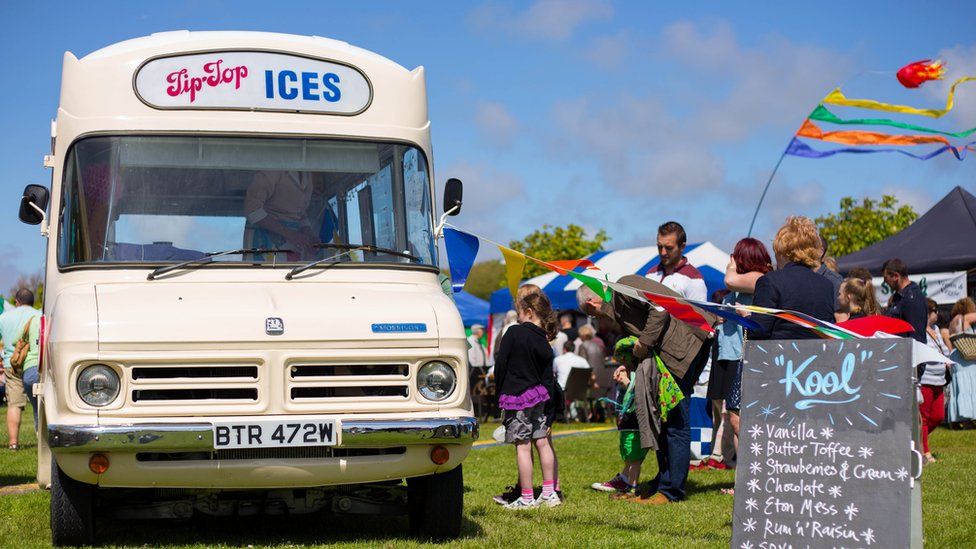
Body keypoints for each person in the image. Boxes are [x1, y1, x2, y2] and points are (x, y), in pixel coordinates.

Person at [578, 274, 713, 504]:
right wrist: (628, 362)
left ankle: (671, 492)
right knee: (663, 419)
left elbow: (659, 309)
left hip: (687, 346)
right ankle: (664, 482)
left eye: (591, 314)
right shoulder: (618, 305)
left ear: (591, 304)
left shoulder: (625, 287)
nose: (597, 319)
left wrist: (644, 343)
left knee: (675, 421)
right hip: (673, 354)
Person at [492, 286, 561, 509]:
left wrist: (499, 393)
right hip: (540, 397)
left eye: (520, 311)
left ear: (529, 311)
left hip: (517, 396)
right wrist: (550, 412)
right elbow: (548, 379)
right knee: (542, 442)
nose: (518, 315)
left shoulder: (513, 332)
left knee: (523, 446)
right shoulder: (545, 342)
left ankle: (528, 496)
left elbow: (500, 366)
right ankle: (550, 493)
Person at [719, 238, 774, 474]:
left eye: (736, 257)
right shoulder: (745, 284)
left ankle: (753, 473)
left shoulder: (759, 279)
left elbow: (729, 281)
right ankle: (742, 477)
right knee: (733, 416)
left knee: (741, 418)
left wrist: (730, 264)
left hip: (749, 356)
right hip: (733, 354)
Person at [750, 217, 835, 341]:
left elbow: (758, 331)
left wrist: (746, 321)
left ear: (783, 251)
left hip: (779, 357)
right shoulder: (826, 285)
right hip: (817, 357)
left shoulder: (770, 281)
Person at [0, 289, 42, 450]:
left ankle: (13, 443)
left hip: (13, 364)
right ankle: (42, 438)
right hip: (33, 363)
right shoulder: (38, 315)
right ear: (32, 301)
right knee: (40, 403)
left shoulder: (3, 317)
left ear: (17, 301)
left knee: (14, 404)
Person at [244, 170, 318, 260]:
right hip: (265, 241)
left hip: (294, 247)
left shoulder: (307, 172)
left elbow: (301, 212)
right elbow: (252, 210)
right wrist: (289, 234)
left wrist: (308, 234)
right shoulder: (272, 168)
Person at [920, 299, 951, 463]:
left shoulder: (936, 330)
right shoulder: (920, 331)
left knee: (938, 416)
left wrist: (946, 360)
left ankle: (917, 440)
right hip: (926, 378)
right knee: (923, 418)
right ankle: (925, 451)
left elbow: (944, 350)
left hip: (939, 379)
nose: (937, 314)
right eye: (935, 311)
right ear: (928, 313)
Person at [647, 221, 707, 302]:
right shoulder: (650, 274)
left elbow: (700, 314)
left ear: (682, 247)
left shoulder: (694, 279)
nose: (663, 252)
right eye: (660, 247)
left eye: (669, 248)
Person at [882, 258, 927, 343]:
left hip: (907, 352)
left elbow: (917, 337)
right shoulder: (898, 297)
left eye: (886, 278)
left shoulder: (912, 298)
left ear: (895, 276)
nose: (885, 282)